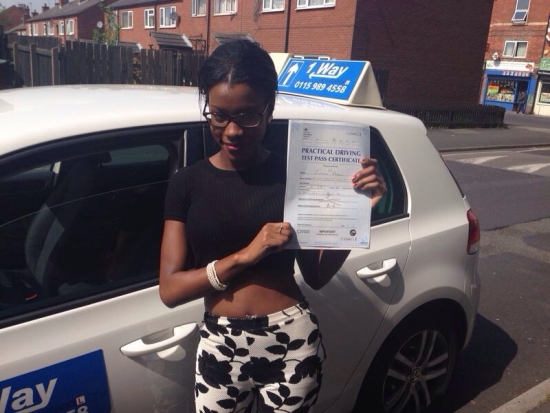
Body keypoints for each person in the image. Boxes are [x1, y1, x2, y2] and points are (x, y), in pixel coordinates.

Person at [159, 39, 387, 413]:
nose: (232, 131)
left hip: (292, 341)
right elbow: (170, 289)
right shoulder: (187, 183)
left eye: (247, 115)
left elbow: (315, 276)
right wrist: (246, 255)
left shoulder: (294, 177)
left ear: (270, 108)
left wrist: (357, 213)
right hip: (220, 344)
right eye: (218, 115)